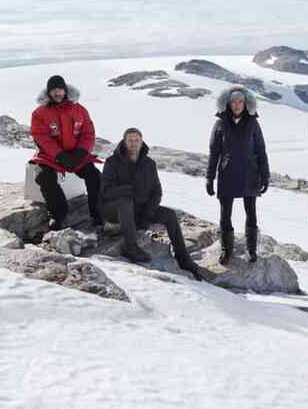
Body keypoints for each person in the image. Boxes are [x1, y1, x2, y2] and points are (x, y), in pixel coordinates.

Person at [100, 128, 204, 280]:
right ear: (124, 142)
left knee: (169, 215)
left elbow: (157, 192)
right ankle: (131, 246)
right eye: (130, 140)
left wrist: (148, 215)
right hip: (114, 210)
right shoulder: (112, 162)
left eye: (137, 140)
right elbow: (106, 191)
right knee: (125, 201)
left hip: (139, 210)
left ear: (142, 142)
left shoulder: (149, 164)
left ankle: (183, 258)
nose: (133, 143)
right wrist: (127, 190)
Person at [206, 85, 270, 264]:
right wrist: (209, 177)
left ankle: (251, 250)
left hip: (250, 173)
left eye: (240, 101)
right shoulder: (220, 123)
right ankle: (226, 250)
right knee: (225, 214)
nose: (237, 105)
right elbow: (214, 152)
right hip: (227, 174)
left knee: (251, 212)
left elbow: (261, 150)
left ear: (246, 103)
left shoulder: (253, 122)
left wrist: (265, 176)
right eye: (233, 101)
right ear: (227, 103)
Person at [30, 75, 102, 230]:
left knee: (94, 175)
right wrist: (59, 155)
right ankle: (58, 215)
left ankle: (99, 215)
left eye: (60, 90)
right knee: (44, 177)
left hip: (77, 155)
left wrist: (81, 152)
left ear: (65, 90)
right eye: (54, 90)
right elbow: (41, 137)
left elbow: (88, 133)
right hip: (51, 156)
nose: (57, 93)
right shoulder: (39, 113)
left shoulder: (80, 109)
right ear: (48, 93)